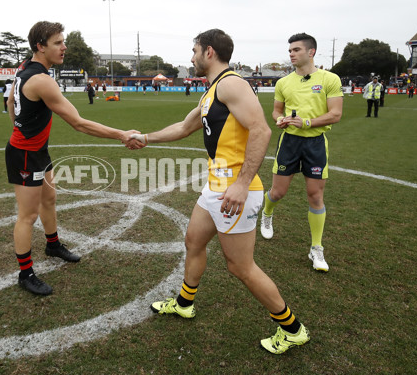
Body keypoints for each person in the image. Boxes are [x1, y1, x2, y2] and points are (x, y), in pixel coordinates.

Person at [130, 28, 310, 355]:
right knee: (194, 241)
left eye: (194, 51)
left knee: (240, 266)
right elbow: (184, 127)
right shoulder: (212, 91)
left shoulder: (231, 83)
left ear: (209, 52)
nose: (191, 57)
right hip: (216, 187)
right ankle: (185, 303)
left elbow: (261, 129)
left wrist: (241, 184)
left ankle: (292, 328)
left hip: (236, 189)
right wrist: (145, 137)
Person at [5, 21, 142, 296]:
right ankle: (25, 273)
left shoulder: (25, 69)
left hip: (37, 150)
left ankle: (53, 245)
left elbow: (10, 102)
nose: (64, 47)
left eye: (63, 41)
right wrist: (121, 134)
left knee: (50, 199)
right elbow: (79, 123)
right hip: (24, 155)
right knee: (27, 215)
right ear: (40, 47)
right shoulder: (42, 80)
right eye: (58, 43)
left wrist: (18, 127)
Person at [260, 33, 343, 273]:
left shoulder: (329, 79)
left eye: (296, 50)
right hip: (289, 143)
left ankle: (316, 247)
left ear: (311, 52)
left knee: (315, 196)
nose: (291, 54)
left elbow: (335, 114)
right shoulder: (283, 83)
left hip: (315, 143)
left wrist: (306, 123)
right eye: (290, 50)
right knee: (277, 192)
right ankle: (267, 213)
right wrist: (280, 120)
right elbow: (276, 112)